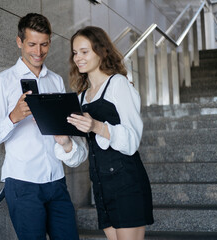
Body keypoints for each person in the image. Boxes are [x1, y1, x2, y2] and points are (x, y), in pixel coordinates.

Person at [0, 13, 87, 240]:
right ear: (19, 42)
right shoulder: (2, 81)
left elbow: (65, 129)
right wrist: (14, 117)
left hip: (56, 181)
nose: (38, 52)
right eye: (31, 44)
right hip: (23, 184)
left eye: (44, 44)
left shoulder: (55, 80)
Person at [66, 26, 154, 240]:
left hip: (127, 182)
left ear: (101, 50)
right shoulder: (81, 97)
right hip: (101, 185)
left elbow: (132, 141)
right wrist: (64, 142)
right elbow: (82, 153)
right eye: (75, 52)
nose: (78, 58)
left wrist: (97, 126)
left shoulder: (118, 84)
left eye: (84, 51)